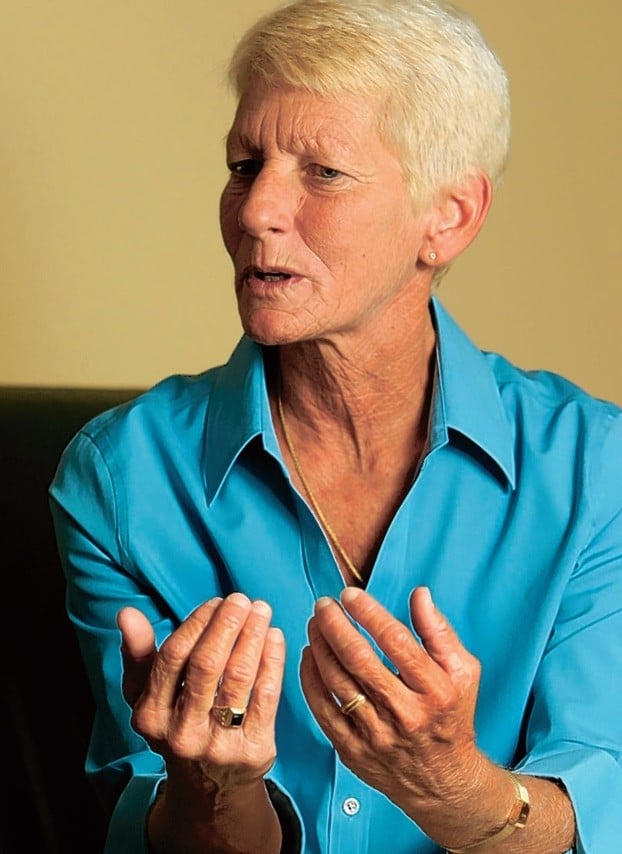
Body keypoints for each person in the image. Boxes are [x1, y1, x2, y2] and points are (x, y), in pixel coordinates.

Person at [49, 1, 621, 852]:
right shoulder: (121, 477)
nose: (256, 211)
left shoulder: (596, 471)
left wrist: (455, 787)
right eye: (245, 165)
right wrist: (212, 793)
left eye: (323, 173)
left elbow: (599, 809)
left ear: (450, 216)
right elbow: (168, 829)